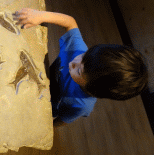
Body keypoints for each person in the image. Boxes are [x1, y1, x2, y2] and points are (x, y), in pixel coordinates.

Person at [13, 8, 149, 126]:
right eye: (83, 57)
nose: (73, 62)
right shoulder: (80, 52)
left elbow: (63, 120)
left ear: (93, 90)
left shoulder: (81, 105)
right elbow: (70, 22)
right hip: (45, 75)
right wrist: (41, 15)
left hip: (46, 102)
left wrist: (49, 127)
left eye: (79, 71)